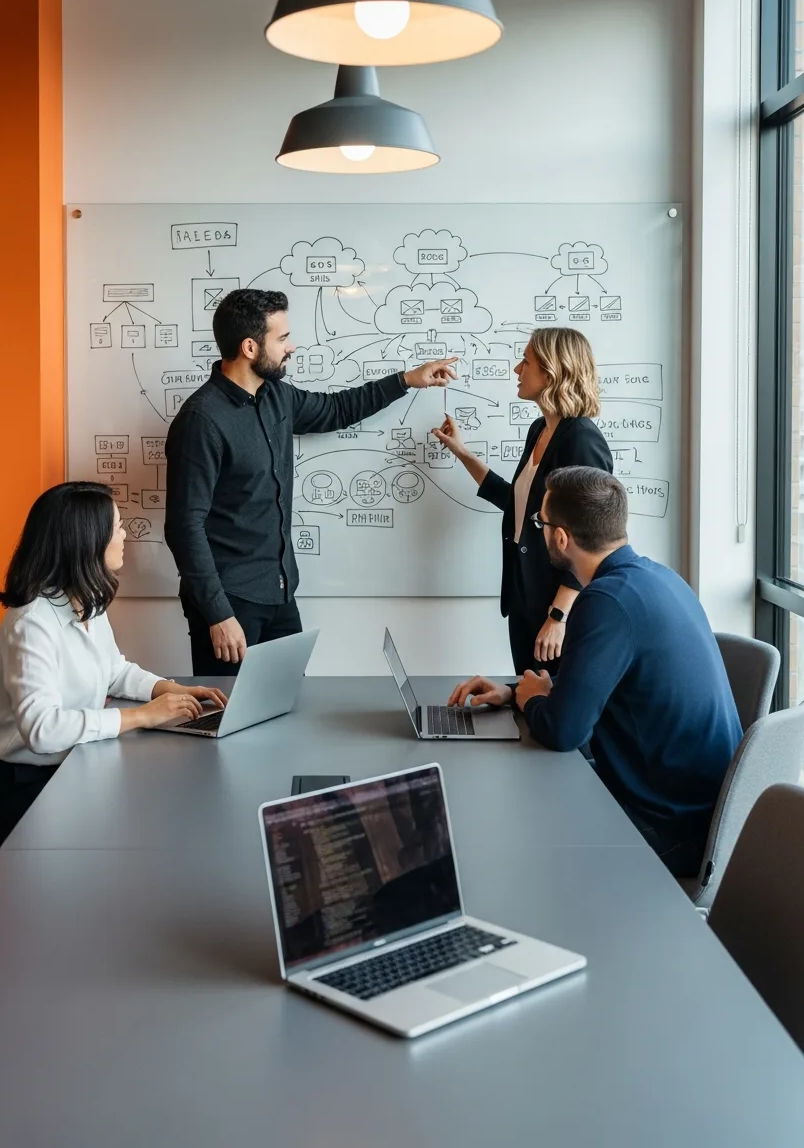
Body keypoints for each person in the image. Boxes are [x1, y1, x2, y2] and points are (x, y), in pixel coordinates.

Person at [450, 467, 742, 877]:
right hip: (706, 813)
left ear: (561, 538)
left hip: (669, 830)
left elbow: (564, 732)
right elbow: (598, 686)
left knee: (510, 826)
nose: (540, 530)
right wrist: (516, 692)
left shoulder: (606, 600)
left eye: (540, 522)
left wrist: (531, 700)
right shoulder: (660, 578)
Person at [164, 287, 456, 676]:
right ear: (250, 347)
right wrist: (217, 614)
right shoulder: (201, 421)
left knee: (288, 704)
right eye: (282, 338)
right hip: (230, 603)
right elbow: (184, 527)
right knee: (229, 712)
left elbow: (337, 409)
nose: (291, 347)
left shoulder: (276, 397)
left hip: (280, 593)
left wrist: (406, 380)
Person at [0, 482, 227, 842]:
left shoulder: (86, 600)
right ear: (87, 541)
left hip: (66, 762)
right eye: (117, 527)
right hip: (16, 780)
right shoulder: (31, 623)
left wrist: (168, 689)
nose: (125, 535)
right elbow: (42, 730)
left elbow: (113, 670)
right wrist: (142, 716)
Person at [432, 327, 612, 676]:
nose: (517, 369)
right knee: (528, 696)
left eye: (526, 361)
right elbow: (519, 504)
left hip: (557, 609)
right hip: (525, 598)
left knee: (553, 700)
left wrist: (558, 615)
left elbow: (593, 537)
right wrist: (461, 452)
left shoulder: (581, 439)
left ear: (552, 371)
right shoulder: (539, 430)